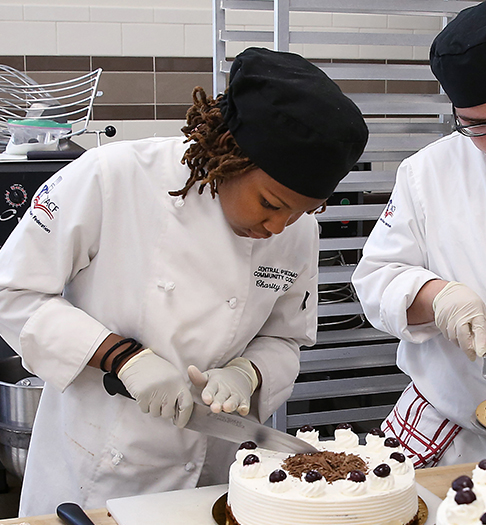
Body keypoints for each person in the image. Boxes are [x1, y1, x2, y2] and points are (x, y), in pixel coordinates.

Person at [0, 47, 368, 515]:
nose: (280, 226)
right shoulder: (113, 177)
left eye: (301, 211)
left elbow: (285, 339)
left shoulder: (296, 230)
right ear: (229, 154)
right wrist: (122, 358)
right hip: (93, 475)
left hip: (206, 476)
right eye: (271, 203)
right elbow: (12, 292)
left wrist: (247, 373)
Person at [352, 0, 486, 468]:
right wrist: (437, 297)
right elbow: (376, 279)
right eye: (475, 125)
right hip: (461, 438)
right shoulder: (427, 172)